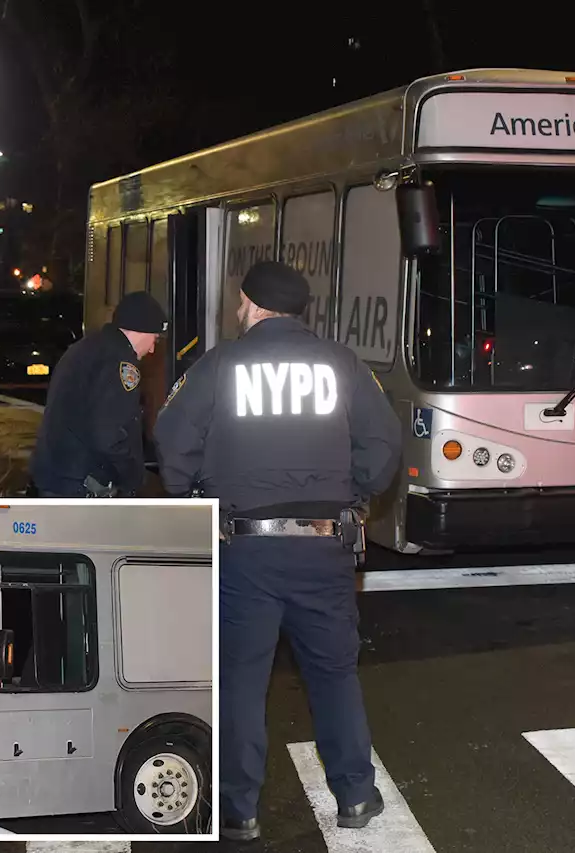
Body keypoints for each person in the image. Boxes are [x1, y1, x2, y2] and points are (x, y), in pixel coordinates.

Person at [154, 261, 402, 842]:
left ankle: (238, 811)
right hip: (325, 546)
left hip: (246, 552)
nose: (238, 311)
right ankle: (356, 796)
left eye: (240, 303)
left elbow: (172, 437)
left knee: (241, 680)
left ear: (252, 304)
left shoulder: (221, 365)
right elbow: (384, 440)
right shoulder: (343, 365)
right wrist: (356, 495)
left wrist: (194, 498)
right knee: (335, 674)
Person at [30, 291, 167, 497]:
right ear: (141, 330)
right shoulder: (121, 364)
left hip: (56, 476)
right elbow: (109, 435)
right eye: (154, 339)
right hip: (82, 484)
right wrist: (133, 477)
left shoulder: (85, 348)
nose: (152, 349)